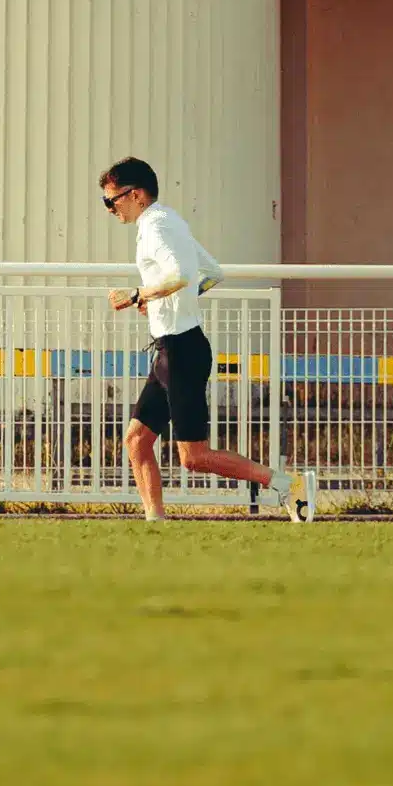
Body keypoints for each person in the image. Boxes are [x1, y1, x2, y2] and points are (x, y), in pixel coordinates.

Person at [99, 157, 308, 523]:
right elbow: (212, 272)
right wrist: (160, 298)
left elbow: (180, 274)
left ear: (135, 194)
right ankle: (155, 525)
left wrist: (138, 294)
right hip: (171, 350)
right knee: (136, 441)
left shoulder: (157, 227)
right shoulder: (167, 220)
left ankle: (287, 486)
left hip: (181, 352)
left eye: (111, 201)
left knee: (194, 457)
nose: (110, 209)